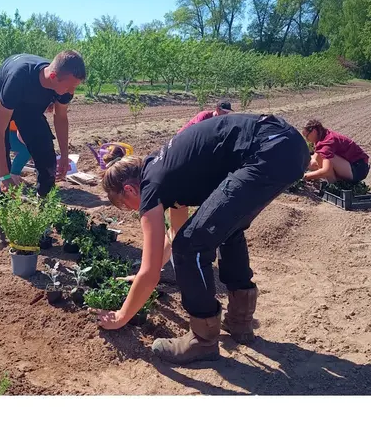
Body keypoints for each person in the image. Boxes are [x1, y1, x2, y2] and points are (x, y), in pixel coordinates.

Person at [95, 113, 310, 365]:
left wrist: (121, 316)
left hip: (268, 150)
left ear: (130, 189)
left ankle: (203, 341)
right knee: (224, 230)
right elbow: (174, 234)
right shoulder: (165, 170)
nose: (134, 210)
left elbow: (156, 267)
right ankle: (240, 323)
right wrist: (142, 277)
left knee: (190, 246)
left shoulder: (152, 185)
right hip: (286, 146)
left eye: (126, 205)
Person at [0, 51, 86, 253]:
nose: (72, 91)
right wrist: (4, 176)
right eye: (70, 85)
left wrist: (64, 155)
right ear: (54, 76)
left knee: (46, 156)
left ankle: (43, 220)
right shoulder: (19, 78)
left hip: (29, 107)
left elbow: (61, 117)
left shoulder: (63, 89)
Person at [302, 119, 370, 184]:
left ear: (314, 131)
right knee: (315, 160)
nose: (307, 140)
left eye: (307, 136)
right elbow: (314, 159)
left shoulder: (327, 143)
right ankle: (334, 180)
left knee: (324, 158)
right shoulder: (323, 135)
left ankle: (334, 184)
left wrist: (304, 177)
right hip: (351, 165)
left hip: (358, 169)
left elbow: (326, 171)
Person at [7, 103, 56, 184]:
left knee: (29, 149)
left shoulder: (35, 108)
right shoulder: (28, 107)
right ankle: (13, 175)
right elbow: (21, 135)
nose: (51, 109)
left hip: (13, 131)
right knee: (27, 150)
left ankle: (15, 173)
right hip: (7, 133)